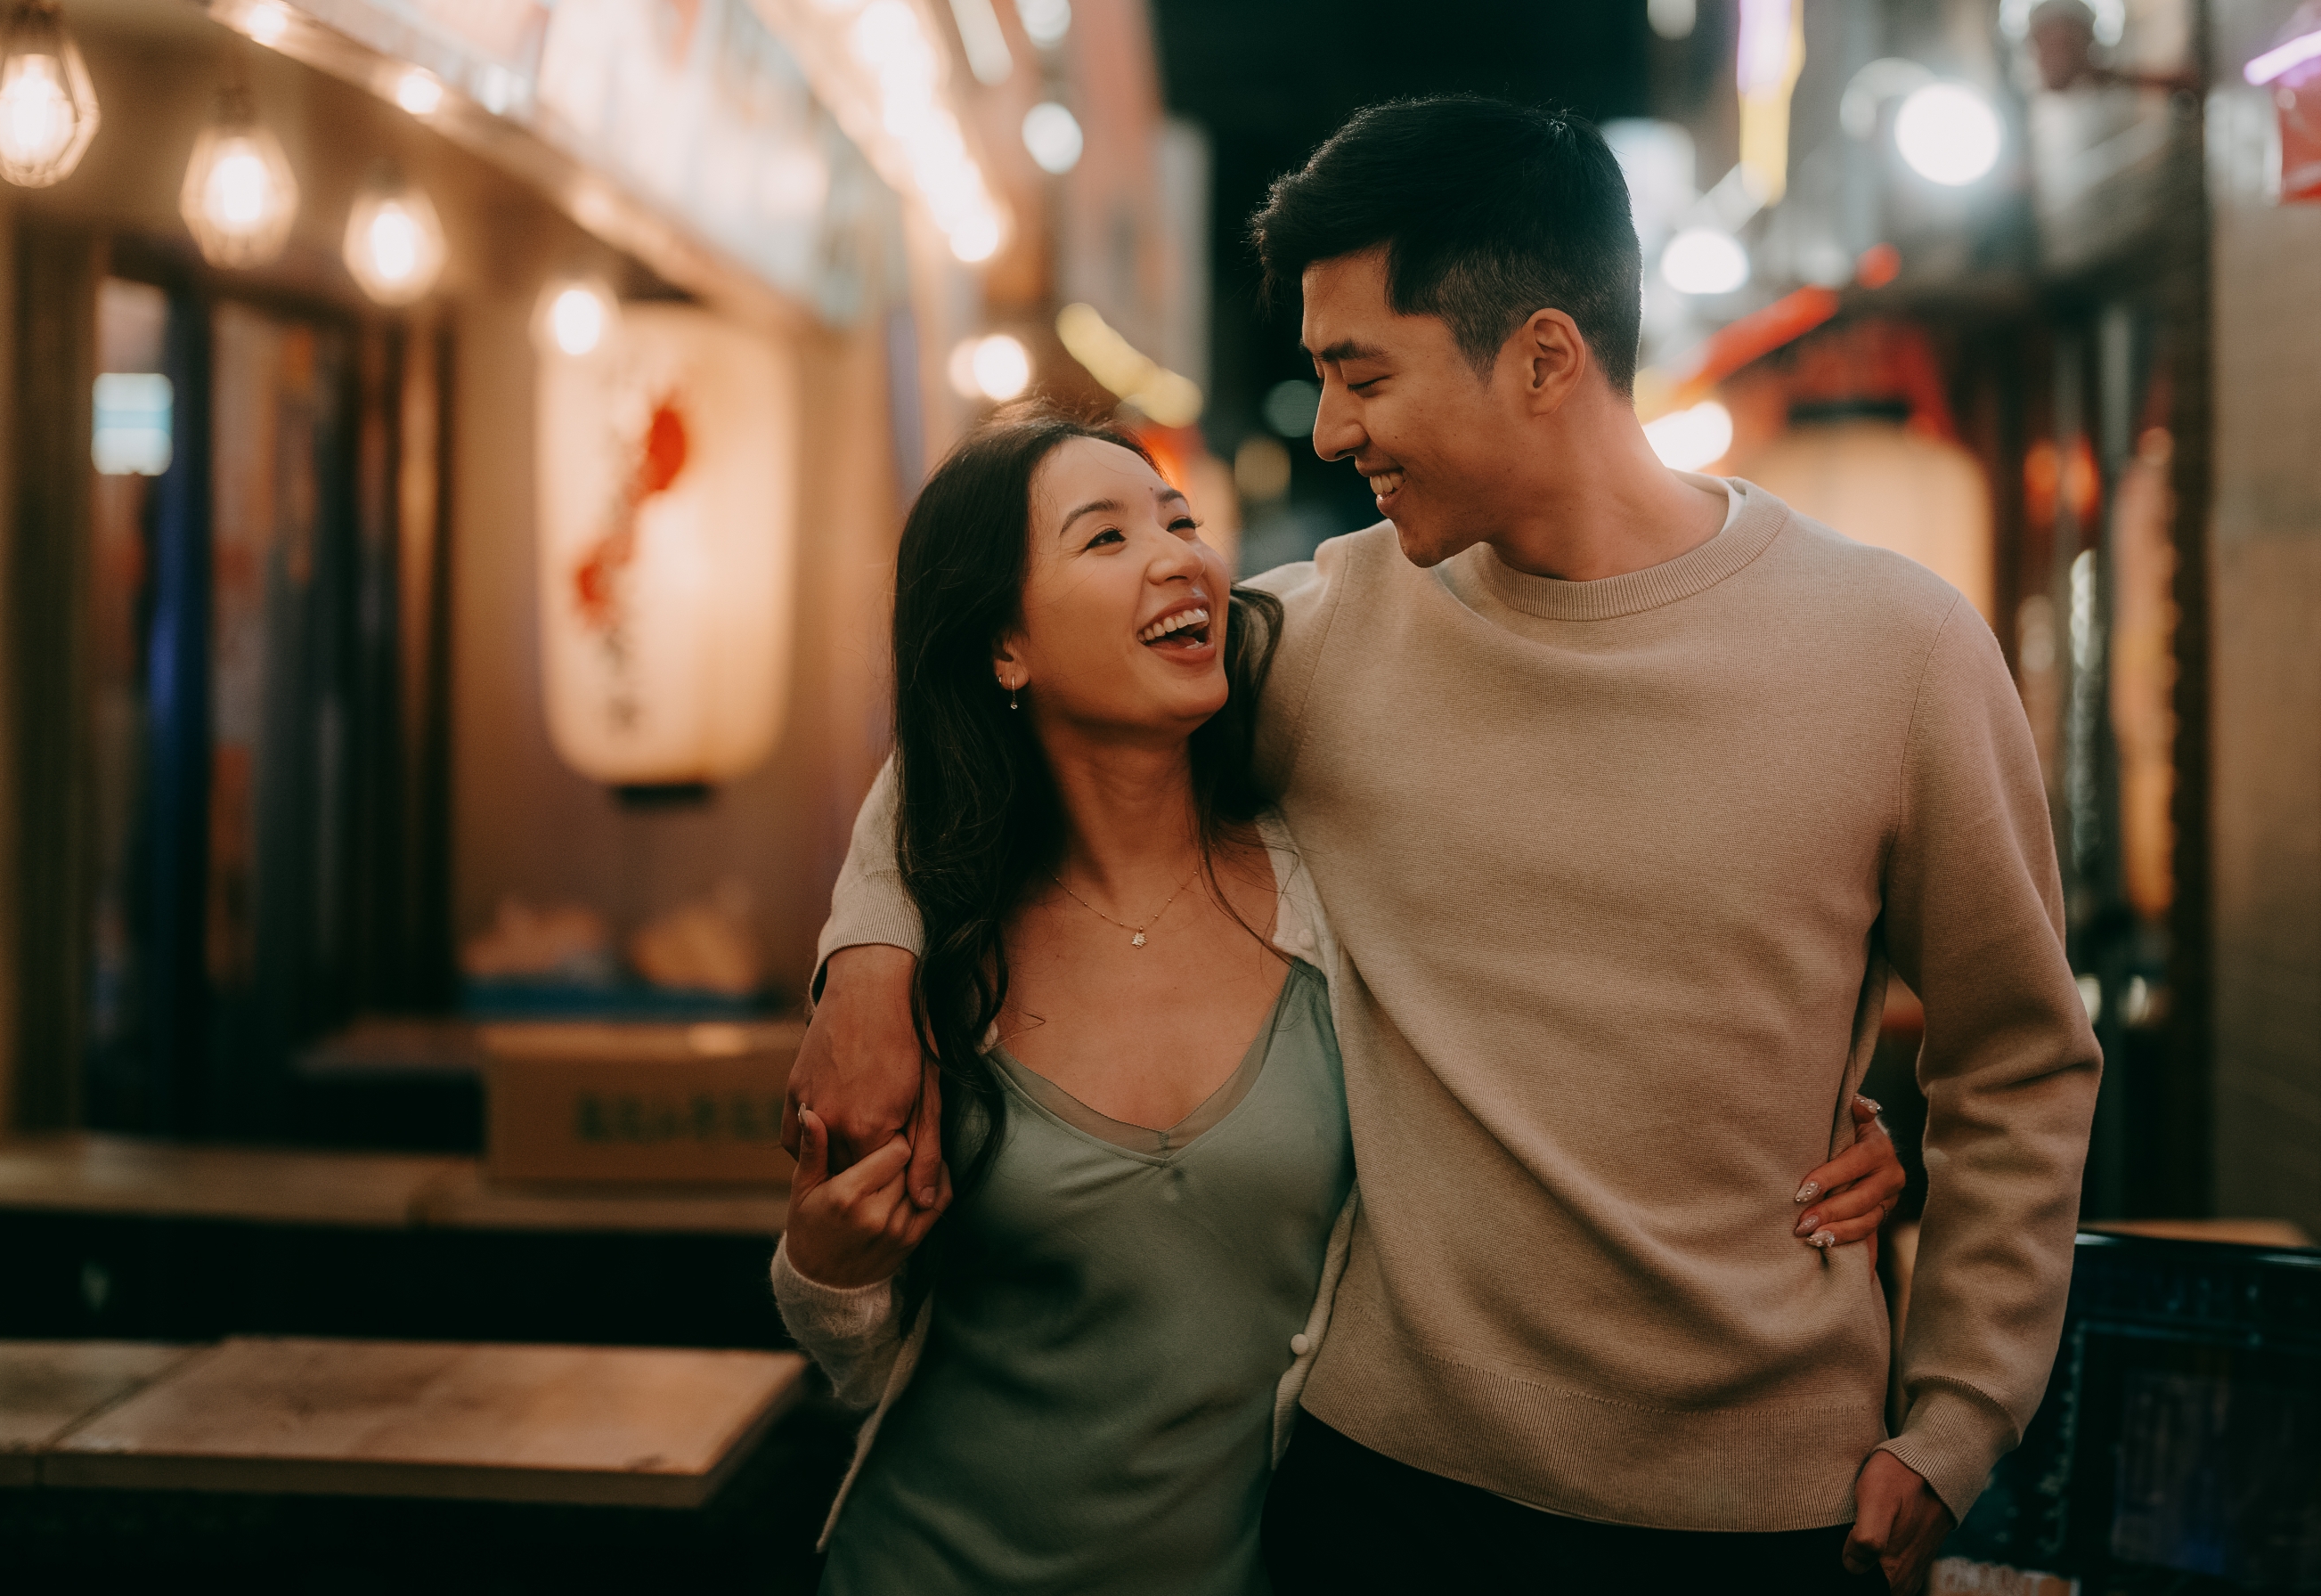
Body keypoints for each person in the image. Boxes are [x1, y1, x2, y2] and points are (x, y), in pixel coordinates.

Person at [798, 96, 2100, 1592]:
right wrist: (869, 955)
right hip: (1383, 1489)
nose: (1329, 427)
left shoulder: (1897, 648)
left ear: (1543, 357)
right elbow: (1005, 719)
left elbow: (2018, 1057)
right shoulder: (1323, 639)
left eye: (1363, 375)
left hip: (1756, 1506)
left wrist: (1960, 1415)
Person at [772, 411, 1906, 1593]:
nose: (1178, 559)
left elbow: (1569, 1014)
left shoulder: (1330, 889)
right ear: (1005, 648)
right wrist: (828, 1264)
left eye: (1181, 523)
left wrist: (1786, 1129)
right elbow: (858, 1358)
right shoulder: (941, 953)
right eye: (1104, 539)